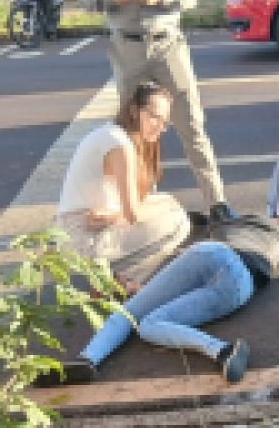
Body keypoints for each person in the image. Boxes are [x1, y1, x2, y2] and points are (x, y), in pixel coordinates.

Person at [39, 216, 279, 385]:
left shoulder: (233, 223)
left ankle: (88, 360)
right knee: (149, 324)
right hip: (240, 285)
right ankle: (223, 352)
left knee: (136, 317)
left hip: (212, 255)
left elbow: (198, 219)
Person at [78, 0, 234, 224]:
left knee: (192, 126)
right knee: (129, 134)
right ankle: (138, 207)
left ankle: (217, 203)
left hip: (168, 46)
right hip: (126, 48)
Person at [56, 81, 190, 288]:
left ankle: (122, 275)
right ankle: (126, 279)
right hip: (82, 238)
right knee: (179, 222)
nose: (160, 127)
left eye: (164, 122)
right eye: (154, 117)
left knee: (166, 202)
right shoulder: (120, 144)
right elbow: (133, 214)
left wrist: (111, 217)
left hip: (77, 228)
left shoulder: (112, 133)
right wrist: (168, 207)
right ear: (134, 111)